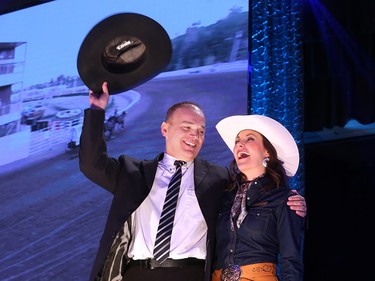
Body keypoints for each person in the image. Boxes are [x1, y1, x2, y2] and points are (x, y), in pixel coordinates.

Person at [79, 82, 307, 281]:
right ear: (165, 129)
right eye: (186, 128)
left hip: (192, 274)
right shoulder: (132, 172)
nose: (194, 136)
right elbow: (91, 164)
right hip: (137, 273)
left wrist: (293, 201)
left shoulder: (219, 179)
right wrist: (97, 111)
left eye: (200, 131)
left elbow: (257, 189)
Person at [212, 115, 305, 281]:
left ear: (267, 151)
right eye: (237, 141)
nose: (240, 144)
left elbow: (290, 257)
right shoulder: (223, 195)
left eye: (250, 139)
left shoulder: (283, 198)